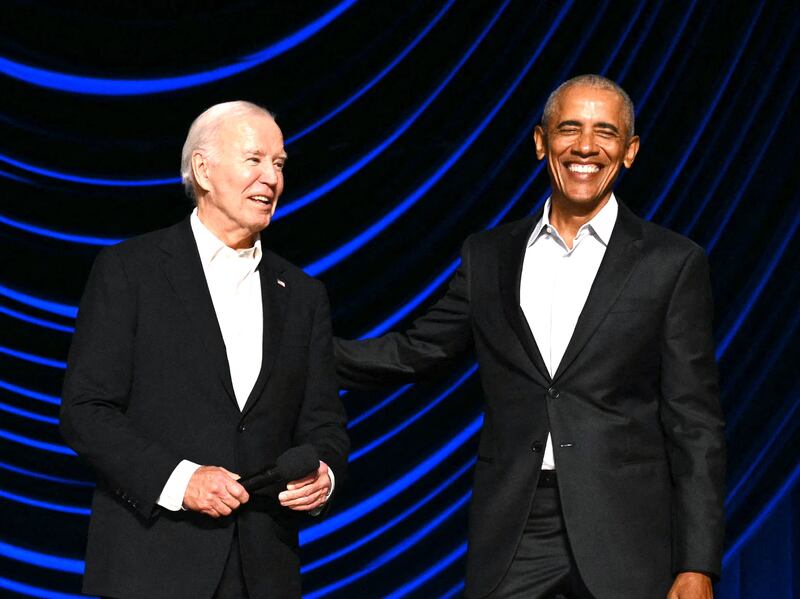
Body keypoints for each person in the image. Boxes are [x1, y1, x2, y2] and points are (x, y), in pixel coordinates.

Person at [335, 75, 725, 599]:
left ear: (630, 151)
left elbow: (694, 422)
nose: (585, 147)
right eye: (570, 129)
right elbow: (417, 352)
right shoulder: (488, 255)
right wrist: (297, 347)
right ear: (542, 142)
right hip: (516, 526)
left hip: (627, 531)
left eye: (605, 132)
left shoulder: (671, 262)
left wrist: (697, 563)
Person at [60, 101, 349, 599]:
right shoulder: (131, 271)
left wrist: (324, 475)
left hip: (264, 571)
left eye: (279, 164)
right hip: (152, 566)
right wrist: (181, 481)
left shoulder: (302, 295)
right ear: (203, 169)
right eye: (254, 159)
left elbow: (323, 423)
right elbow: (85, 411)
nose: (271, 178)